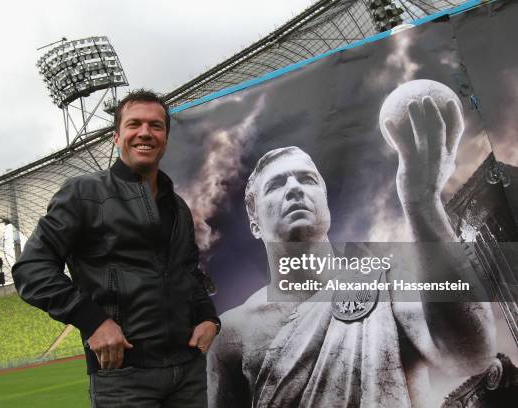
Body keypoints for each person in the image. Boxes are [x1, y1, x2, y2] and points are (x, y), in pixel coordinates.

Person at [208, 97, 495, 407]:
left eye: (307, 179)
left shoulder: (387, 282)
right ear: (255, 224)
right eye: (276, 184)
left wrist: (422, 203)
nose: (294, 188)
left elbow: (471, 353)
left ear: (325, 204)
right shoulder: (234, 333)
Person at [12, 89, 220, 408]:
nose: (145, 133)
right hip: (124, 378)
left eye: (156, 125)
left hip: (188, 373)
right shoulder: (83, 193)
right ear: (116, 137)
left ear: (166, 137)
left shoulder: (178, 206)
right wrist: (92, 321)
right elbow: (31, 269)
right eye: (134, 124)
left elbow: (188, 272)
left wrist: (208, 317)